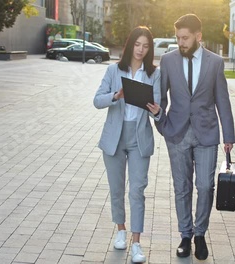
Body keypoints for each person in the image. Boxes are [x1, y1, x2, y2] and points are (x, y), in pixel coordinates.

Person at [155, 14, 235, 260]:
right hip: (177, 133)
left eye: (185, 38)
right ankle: (185, 236)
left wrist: (228, 135)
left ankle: (200, 234)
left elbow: (222, 99)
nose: (181, 42)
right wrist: (162, 122)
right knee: (182, 188)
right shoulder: (168, 61)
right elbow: (161, 96)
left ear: (198, 36)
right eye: (178, 38)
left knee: (204, 186)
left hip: (206, 133)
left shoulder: (214, 62)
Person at [93, 26, 161, 263]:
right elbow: (97, 100)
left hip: (139, 138)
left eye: (146, 46)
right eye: (138, 44)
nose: (141, 50)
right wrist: (116, 96)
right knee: (117, 189)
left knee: (137, 190)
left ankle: (136, 244)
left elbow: (159, 108)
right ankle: (120, 230)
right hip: (115, 137)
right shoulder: (114, 71)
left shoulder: (154, 74)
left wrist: (157, 110)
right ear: (130, 45)